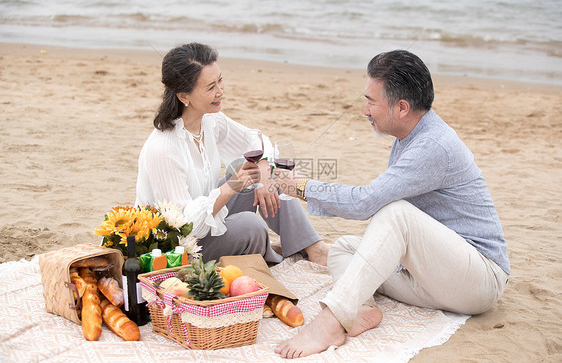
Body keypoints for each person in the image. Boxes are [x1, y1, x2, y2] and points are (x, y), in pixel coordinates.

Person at [272, 50, 510, 359]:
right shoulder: (407, 135)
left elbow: (365, 202)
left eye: (371, 101)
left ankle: (331, 320)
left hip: (477, 280)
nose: (365, 110)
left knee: (395, 213)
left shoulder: (432, 146)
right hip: (432, 276)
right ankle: (361, 310)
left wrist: (300, 186)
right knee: (344, 247)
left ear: (402, 107)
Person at [135, 42, 329, 265]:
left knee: (262, 173)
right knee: (251, 226)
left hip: (205, 219)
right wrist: (230, 188)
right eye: (210, 87)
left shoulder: (209, 120)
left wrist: (264, 170)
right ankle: (269, 261)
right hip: (176, 249)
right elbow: (184, 226)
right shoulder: (163, 149)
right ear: (183, 96)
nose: (220, 91)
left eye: (220, 80)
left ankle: (314, 248)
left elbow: (253, 139)